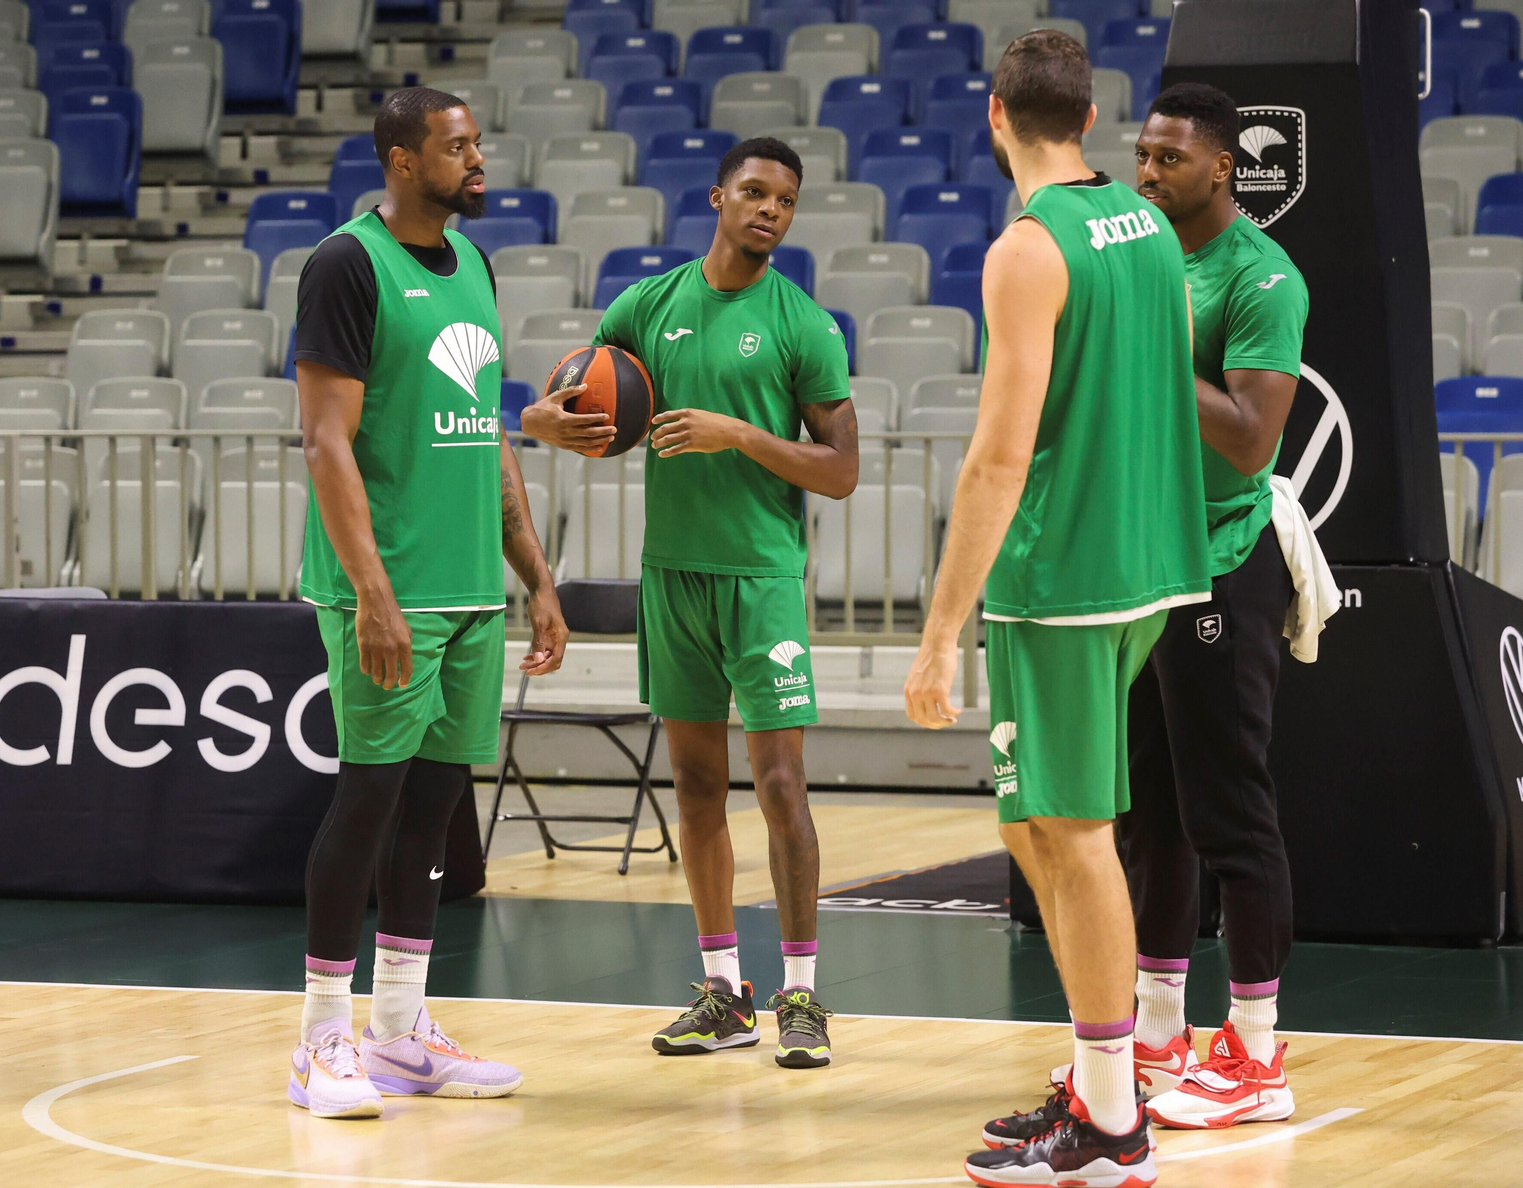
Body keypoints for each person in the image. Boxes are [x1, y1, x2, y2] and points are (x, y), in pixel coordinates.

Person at [902, 31, 1210, 1188]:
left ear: (994, 118)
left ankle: (1112, 1121)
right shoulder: (1146, 228)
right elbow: (1165, 367)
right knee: (1035, 824)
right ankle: (1096, 1081)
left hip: (1063, 578)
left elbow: (996, 458)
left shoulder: (1029, 249)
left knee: (1073, 837)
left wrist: (939, 631)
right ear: (1087, 117)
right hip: (1143, 564)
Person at [523, 137, 857, 1070]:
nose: (769, 212)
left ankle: (800, 992)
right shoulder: (648, 305)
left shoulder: (805, 325)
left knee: (782, 786)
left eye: (785, 202)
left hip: (761, 580)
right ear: (718, 196)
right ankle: (723, 990)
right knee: (699, 790)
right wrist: (545, 423)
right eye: (754, 193)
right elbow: (578, 394)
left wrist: (739, 435)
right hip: (671, 576)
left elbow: (841, 471)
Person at [289, 86, 568, 1120]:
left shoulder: (476, 266)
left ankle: (401, 1034)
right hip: (388, 594)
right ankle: (321, 1038)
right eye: (457, 146)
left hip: (469, 596)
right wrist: (372, 592)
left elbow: (484, 431)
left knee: (436, 814)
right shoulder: (346, 266)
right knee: (365, 804)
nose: (477, 159)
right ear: (404, 162)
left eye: (477, 142)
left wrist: (532, 574)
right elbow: (326, 441)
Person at [1116, 81, 1309, 1130]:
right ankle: (1155, 1033)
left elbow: (1245, 436)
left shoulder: (1260, 277)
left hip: (1225, 560)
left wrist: (1143, 347)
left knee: (1229, 809)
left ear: (1222, 166)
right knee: (1152, 814)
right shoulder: (1146, 258)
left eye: (1168, 159)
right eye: (1141, 155)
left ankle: (1257, 1055)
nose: (1146, 173)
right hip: (1145, 560)